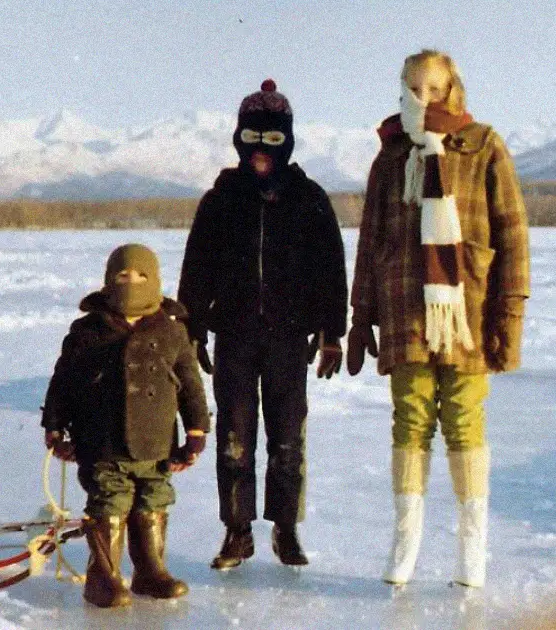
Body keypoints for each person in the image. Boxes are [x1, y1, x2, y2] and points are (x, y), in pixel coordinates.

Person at [347, 49, 530, 588]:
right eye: (413, 88)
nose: (422, 97)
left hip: (466, 310)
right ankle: (405, 542)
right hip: (404, 304)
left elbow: (512, 235)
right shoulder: (391, 154)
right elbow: (370, 240)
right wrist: (361, 315)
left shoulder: (484, 145)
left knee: (464, 419)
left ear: (452, 89)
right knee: (410, 417)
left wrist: (510, 315)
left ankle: (472, 549)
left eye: (433, 88)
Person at [178, 79, 347, 571]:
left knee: (287, 437)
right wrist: (192, 328)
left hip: (288, 338)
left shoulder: (309, 199)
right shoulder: (220, 200)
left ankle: (285, 528)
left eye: (272, 139)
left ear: (287, 141)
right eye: (252, 138)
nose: (260, 151)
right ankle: (237, 530)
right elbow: (197, 269)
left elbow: (330, 270)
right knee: (234, 436)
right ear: (238, 138)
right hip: (234, 335)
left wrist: (331, 331)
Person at [41, 243, 210, 608]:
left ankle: (150, 572)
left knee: (154, 497)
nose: (132, 283)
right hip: (102, 440)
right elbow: (63, 381)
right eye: (122, 276)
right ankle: (103, 578)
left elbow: (191, 386)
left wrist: (196, 431)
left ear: (156, 280)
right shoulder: (88, 330)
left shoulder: (172, 331)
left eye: (141, 276)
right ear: (108, 280)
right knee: (110, 501)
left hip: (157, 442)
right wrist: (55, 427)